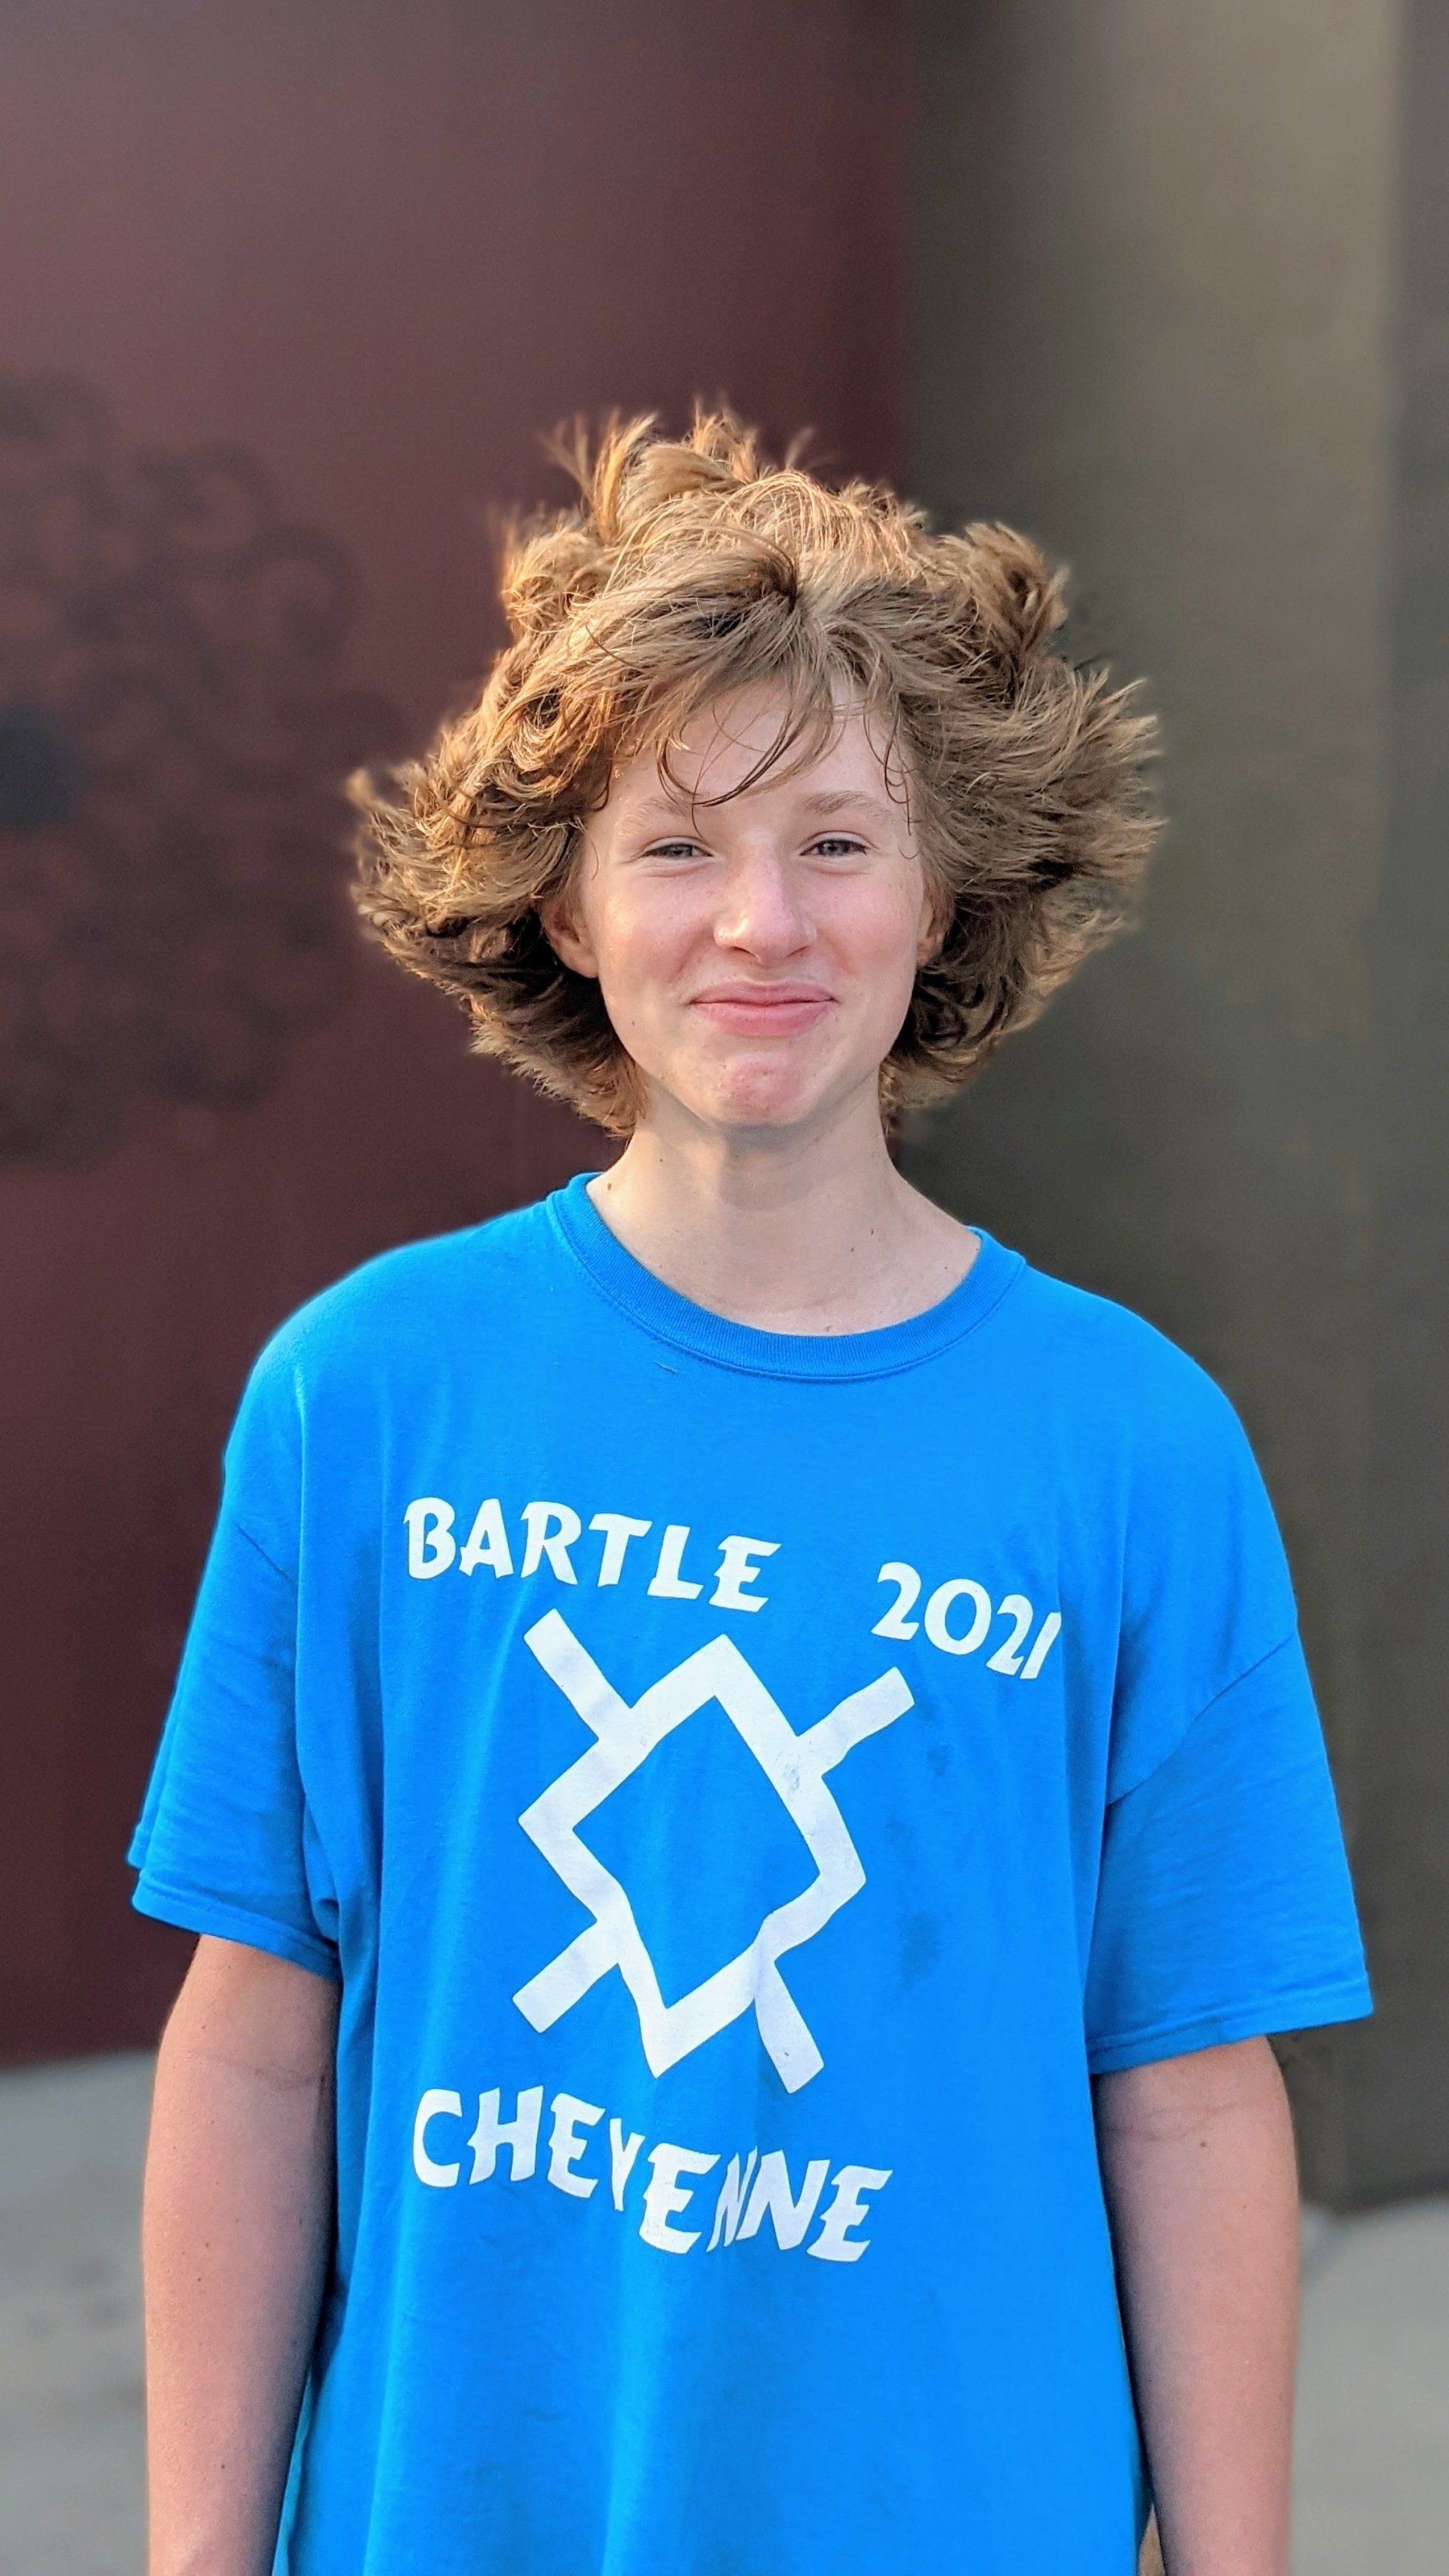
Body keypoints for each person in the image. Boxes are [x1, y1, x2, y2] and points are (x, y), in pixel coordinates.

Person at [128, 409, 1373, 2576]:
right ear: (568, 900)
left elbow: (1184, 2086)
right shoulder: (369, 1396)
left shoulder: (1131, 1447)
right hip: (463, 2517)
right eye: (679, 845)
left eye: (837, 841)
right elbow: (253, 2044)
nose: (760, 923)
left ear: (943, 890)